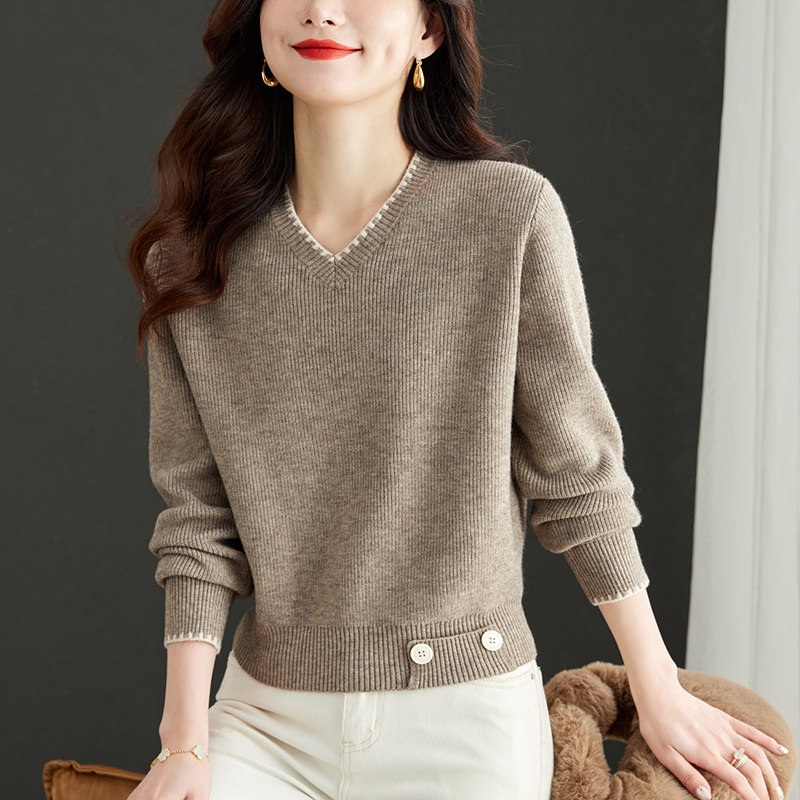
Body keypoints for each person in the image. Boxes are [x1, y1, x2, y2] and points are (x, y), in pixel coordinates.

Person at [125, 2, 791, 800]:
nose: (322, 10)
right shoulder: (192, 260)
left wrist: (659, 687)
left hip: (465, 723)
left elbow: (576, 476)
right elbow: (198, 521)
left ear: (429, 31)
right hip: (265, 722)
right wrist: (184, 745)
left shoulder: (507, 217)